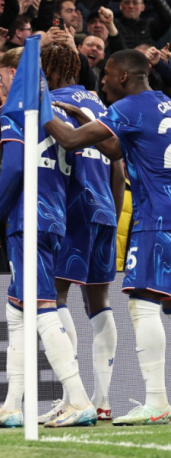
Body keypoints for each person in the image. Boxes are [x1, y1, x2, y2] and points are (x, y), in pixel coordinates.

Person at [46, 49, 171, 425]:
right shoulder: (164, 103)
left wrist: (37, 107)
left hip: (156, 218)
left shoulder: (129, 107)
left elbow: (70, 141)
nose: (101, 81)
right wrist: (87, 115)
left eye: (107, 75)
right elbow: (116, 149)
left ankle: (157, 401)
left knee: (144, 303)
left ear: (123, 77)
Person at [0, 40, 96, 429]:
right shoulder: (58, 115)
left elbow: (13, 169)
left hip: (27, 219)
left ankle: (79, 399)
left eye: (2, 77)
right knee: (17, 310)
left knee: (43, 306)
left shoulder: (17, 109)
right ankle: (12, 405)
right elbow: (79, 173)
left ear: (17, 74)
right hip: (53, 216)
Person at [38, 42, 124, 424]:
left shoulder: (53, 104)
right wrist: (113, 215)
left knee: (55, 297)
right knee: (99, 302)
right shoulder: (99, 105)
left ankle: (72, 398)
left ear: (52, 70)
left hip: (73, 209)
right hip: (105, 208)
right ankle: (102, 400)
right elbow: (118, 166)